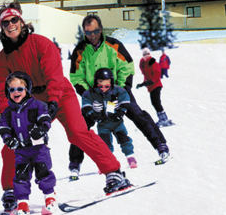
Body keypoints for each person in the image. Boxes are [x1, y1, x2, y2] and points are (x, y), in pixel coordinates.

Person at [0, 2, 131, 214]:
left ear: (21, 21)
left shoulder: (41, 44)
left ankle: (114, 172)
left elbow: (54, 76)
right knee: (13, 144)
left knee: (77, 133)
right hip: (29, 103)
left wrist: (53, 103)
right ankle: (11, 191)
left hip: (59, 94)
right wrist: (8, 119)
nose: (11, 25)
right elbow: (4, 92)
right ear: (1, 27)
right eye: (5, 22)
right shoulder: (3, 58)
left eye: (14, 20)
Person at [69, 15, 169, 174]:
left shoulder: (114, 45)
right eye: (88, 33)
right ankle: (74, 163)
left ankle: (160, 145)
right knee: (81, 126)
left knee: (137, 114)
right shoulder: (80, 50)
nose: (92, 35)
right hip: (95, 96)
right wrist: (89, 95)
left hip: (118, 92)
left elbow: (126, 67)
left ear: (100, 29)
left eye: (95, 31)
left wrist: (119, 91)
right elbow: (76, 76)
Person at [0, 71, 57, 215]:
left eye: (19, 89)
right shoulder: (8, 111)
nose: (15, 92)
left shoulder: (37, 105)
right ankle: (23, 204)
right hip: (21, 150)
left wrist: (41, 129)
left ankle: (50, 199)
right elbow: (3, 126)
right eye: (12, 89)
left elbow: (45, 118)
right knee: (21, 176)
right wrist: (7, 138)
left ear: (27, 89)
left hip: (38, 147)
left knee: (43, 172)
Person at [81, 68, 138, 171]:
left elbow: (125, 101)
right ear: (96, 82)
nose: (103, 88)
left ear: (111, 82)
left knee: (123, 139)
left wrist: (120, 112)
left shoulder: (118, 90)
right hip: (103, 124)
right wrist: (93, 114)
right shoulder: (90, 93)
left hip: (117, 122)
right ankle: (107, 163)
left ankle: (131, 158)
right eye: (100, 85)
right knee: (105, 144)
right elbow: (86, 104)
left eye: (107, 86)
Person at [138, 48, 173, 127]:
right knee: (154, 102)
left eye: (147, 54)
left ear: (149, 54)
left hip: (156, 85)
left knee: (156, 102)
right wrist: (142, 84)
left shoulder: (153, 62)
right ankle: (163, 118)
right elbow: (146, 76)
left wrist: (152, 81)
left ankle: (163, 119)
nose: (146, 56)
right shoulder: (144, 64)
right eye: (144, 54)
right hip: (151, 86)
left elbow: (157, 73)